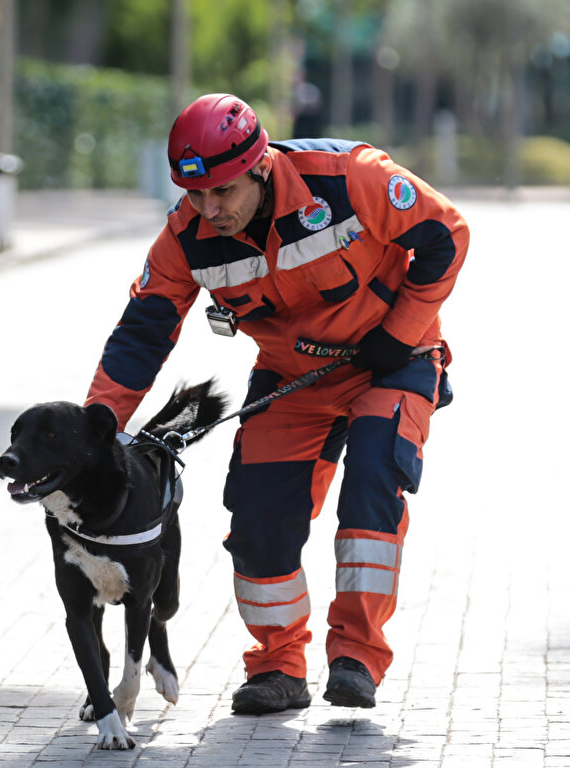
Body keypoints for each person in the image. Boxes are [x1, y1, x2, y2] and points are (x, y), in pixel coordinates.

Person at [85, 93, 468, 713]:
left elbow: (447, 235)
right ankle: (279, 667)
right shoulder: (187, 236)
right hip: (292, 379)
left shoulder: (350, 181)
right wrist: (98, 432)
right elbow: (142, 333)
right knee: (259, 520)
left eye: (223, 193)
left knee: (372, 484)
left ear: (260, 165)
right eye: (196, 195)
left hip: (394, 363)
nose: (211, 211)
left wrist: (399, 334)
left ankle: (356, 658)